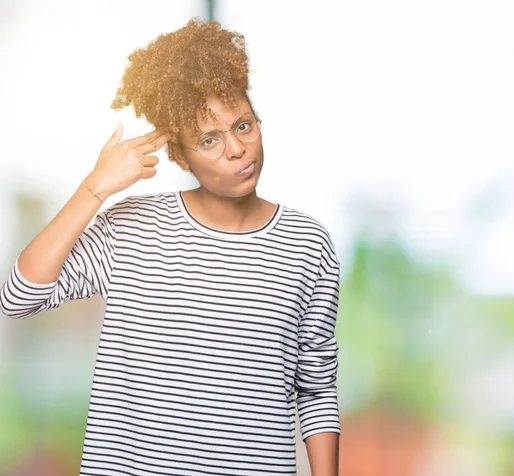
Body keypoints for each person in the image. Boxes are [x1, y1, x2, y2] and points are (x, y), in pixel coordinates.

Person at [0, 19, 341, 476]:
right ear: (180, 157)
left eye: (244, 125)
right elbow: (19, 295)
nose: (237, 149)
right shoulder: (134, 229)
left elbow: (316, 388)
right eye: (209, 140)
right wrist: (96, 186)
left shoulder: (308, 244)